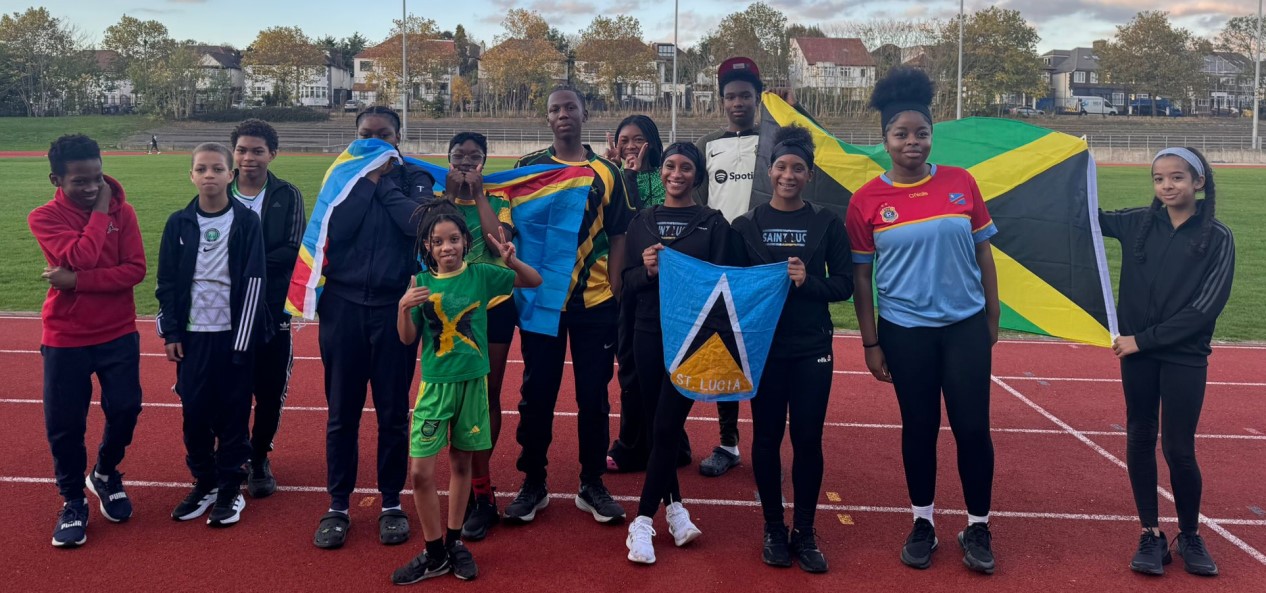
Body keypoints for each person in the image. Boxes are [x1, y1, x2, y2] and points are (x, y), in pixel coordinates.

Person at [846, 67, 1001, 574]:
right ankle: (923, 521)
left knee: (973, 428)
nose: (913, 142)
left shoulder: (961, 182)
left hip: (964, 327)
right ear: (885, 140)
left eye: (921, 133)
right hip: (904, 330)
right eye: (901, 134)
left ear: (932, 135)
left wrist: (991, 317)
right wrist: (871, 343)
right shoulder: (866, 201)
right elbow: (863, 279)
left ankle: (978, 526)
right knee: (919, 427)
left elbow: (985, 256)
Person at [1099, 147, 1234, 577]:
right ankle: (1150, 533)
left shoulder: (1217, 236)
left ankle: (1190, 534)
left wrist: (1142, 340)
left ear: (1199, 182)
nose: (1167, 186)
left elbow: (1203, 309)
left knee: (1178, 448)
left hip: (1182, 356)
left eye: (1177, 178)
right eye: (1159, 178)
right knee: (1140, 437)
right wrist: (1064, 173)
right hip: (1137, 355)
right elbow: (1086, 218)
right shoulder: (1139, 221)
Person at [391, 202, 542, 585]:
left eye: (454, 239)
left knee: (461, 465)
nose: (447, 248)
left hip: (473, 384)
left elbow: (533, 281)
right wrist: (402, 308)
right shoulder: (420, 283)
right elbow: (408, 339)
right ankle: (433, 550)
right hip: (436, 388)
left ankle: (453, 542)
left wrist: (511, 259)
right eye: (438, 241)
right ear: (427, 246)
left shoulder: (481, 275)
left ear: (465, 241)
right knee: (421, 472)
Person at [505, 85, 633, 525]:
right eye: (554, 108)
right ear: (547, 118)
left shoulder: (607, 172)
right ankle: (533, 482)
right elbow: (506, 223)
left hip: (594, 302)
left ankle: (591, 483)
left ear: (585, 113)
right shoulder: (527, 169)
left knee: (594, 397)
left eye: (570, 107)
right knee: (536, 393)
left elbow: (619, 234)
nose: (563, 114)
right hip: (541, 300)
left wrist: (615, 285)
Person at [314, 106, 436, 549]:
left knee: (392, 413)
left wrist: (382, 180)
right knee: (341, 412)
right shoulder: (341, 179)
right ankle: (338, 505)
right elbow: (337, 230)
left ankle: (390, 504)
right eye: (367, 135)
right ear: (355, 138)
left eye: (384, 136)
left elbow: (417, 224)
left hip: (394, 307)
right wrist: (367, 180)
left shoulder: (416, 178)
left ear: (397, 140)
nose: (375, 143)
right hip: (342, 307)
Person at [731, 125, 852, 573]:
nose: (788, 174)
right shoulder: (747, 225)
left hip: (811, 348)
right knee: (765, 438)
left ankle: (805, 529)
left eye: (798, 168)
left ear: (810, 174)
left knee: (807, 439)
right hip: (764, 350)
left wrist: (808, 282)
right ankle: (772, 528)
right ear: (769, 170)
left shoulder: (825, 223)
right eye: (781, 166)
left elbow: (843, 285)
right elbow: (732, 286)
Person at [692, 57, 813, 478]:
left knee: (772, 348)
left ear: (758, 98)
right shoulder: (708, 143)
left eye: (746, 95)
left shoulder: (775, 138)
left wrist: (796, 112)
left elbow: (813, 152)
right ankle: (728, 442)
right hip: (723, 256)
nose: (738, 103)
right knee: (724, 349)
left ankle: (779, 439)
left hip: (771, 259)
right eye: (730, 96)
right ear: (721, 100)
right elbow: (693, 194)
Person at [623, 142, 740, 564]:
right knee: (659, 428)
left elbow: (724, 286)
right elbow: (625, 283)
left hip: (692, 339)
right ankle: (675, 510)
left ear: (697, 175)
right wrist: (647, 270)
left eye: (686, 167)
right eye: (670, 165)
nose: (676, 173)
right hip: (647, 332)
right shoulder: (643, 221)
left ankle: (641, 522)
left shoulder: (714, 223)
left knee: (669, 426)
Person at [30, 134, 146, 547]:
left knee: (128, 408)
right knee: (64, 425)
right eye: (80, 181)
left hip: (117, 332)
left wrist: (76, 283)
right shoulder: (44, 217)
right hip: (66, 336)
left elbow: (134, 271)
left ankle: (105, 472)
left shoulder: (125, 213)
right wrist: (100, 213)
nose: (93, 187)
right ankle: (73, 500)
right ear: (56, 180)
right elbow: (82, 255)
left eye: (97, 178)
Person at [156, 142, 270, 528]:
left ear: (229, 174)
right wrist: (171, 331)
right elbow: (167, 282)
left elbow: (255, 281)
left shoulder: (245, 222)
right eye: (201, 169)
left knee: (234, 415)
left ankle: (229, 489)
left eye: (217, 169)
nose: (209, 175)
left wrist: (241, 342)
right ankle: (204, 481)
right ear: (191, 175)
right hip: (192, 337)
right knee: (195, 414)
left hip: (232, 336)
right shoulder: (178, 223)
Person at [436, 132, 517, 541]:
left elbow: (499, 243)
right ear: (448, 159)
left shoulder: (498, 198)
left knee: (486, 396)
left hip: (494, 307)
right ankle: (464, 487)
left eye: (475, 157)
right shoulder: (436, 197)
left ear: (485, 162)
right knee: (453, 397)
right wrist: (449, 197)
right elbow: (429, 243)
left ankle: (483, 494)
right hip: (450, 312)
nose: (466, 163)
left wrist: (480, 195)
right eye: (459, 156)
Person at [603, 114, 692, 475]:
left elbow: (640, 219)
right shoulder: (612, 176)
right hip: (631, 283)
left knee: (663, 370)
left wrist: (631, 175)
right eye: (624, 140)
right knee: (632, 370)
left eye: (638, 140)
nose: (629, 147)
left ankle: (659, 444)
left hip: (664, 288)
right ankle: (636, 441)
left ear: (652, 143)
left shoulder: (664, 177)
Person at [228, 119, 306, 498]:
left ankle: (260, 456)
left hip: (273, 307)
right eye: (242, 150)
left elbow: (291, 251)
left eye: (257, 150)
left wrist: (240, 263)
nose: (249, 157)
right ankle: (236, 452)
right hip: (223, 311)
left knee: (270, 389)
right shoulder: (217, 193)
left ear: (272, 155)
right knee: (231, 388)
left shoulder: (286, 195)